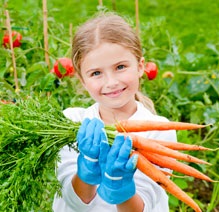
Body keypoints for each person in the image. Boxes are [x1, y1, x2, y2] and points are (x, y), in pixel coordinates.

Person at [52, 12, 177, 212]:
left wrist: (121, 190)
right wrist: (86, 173)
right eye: (96, 73)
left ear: (140, 67)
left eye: (120, 67)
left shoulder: (161, 132)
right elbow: (71, 201)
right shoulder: (71, 123)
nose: (111, 82)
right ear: (83, 81)